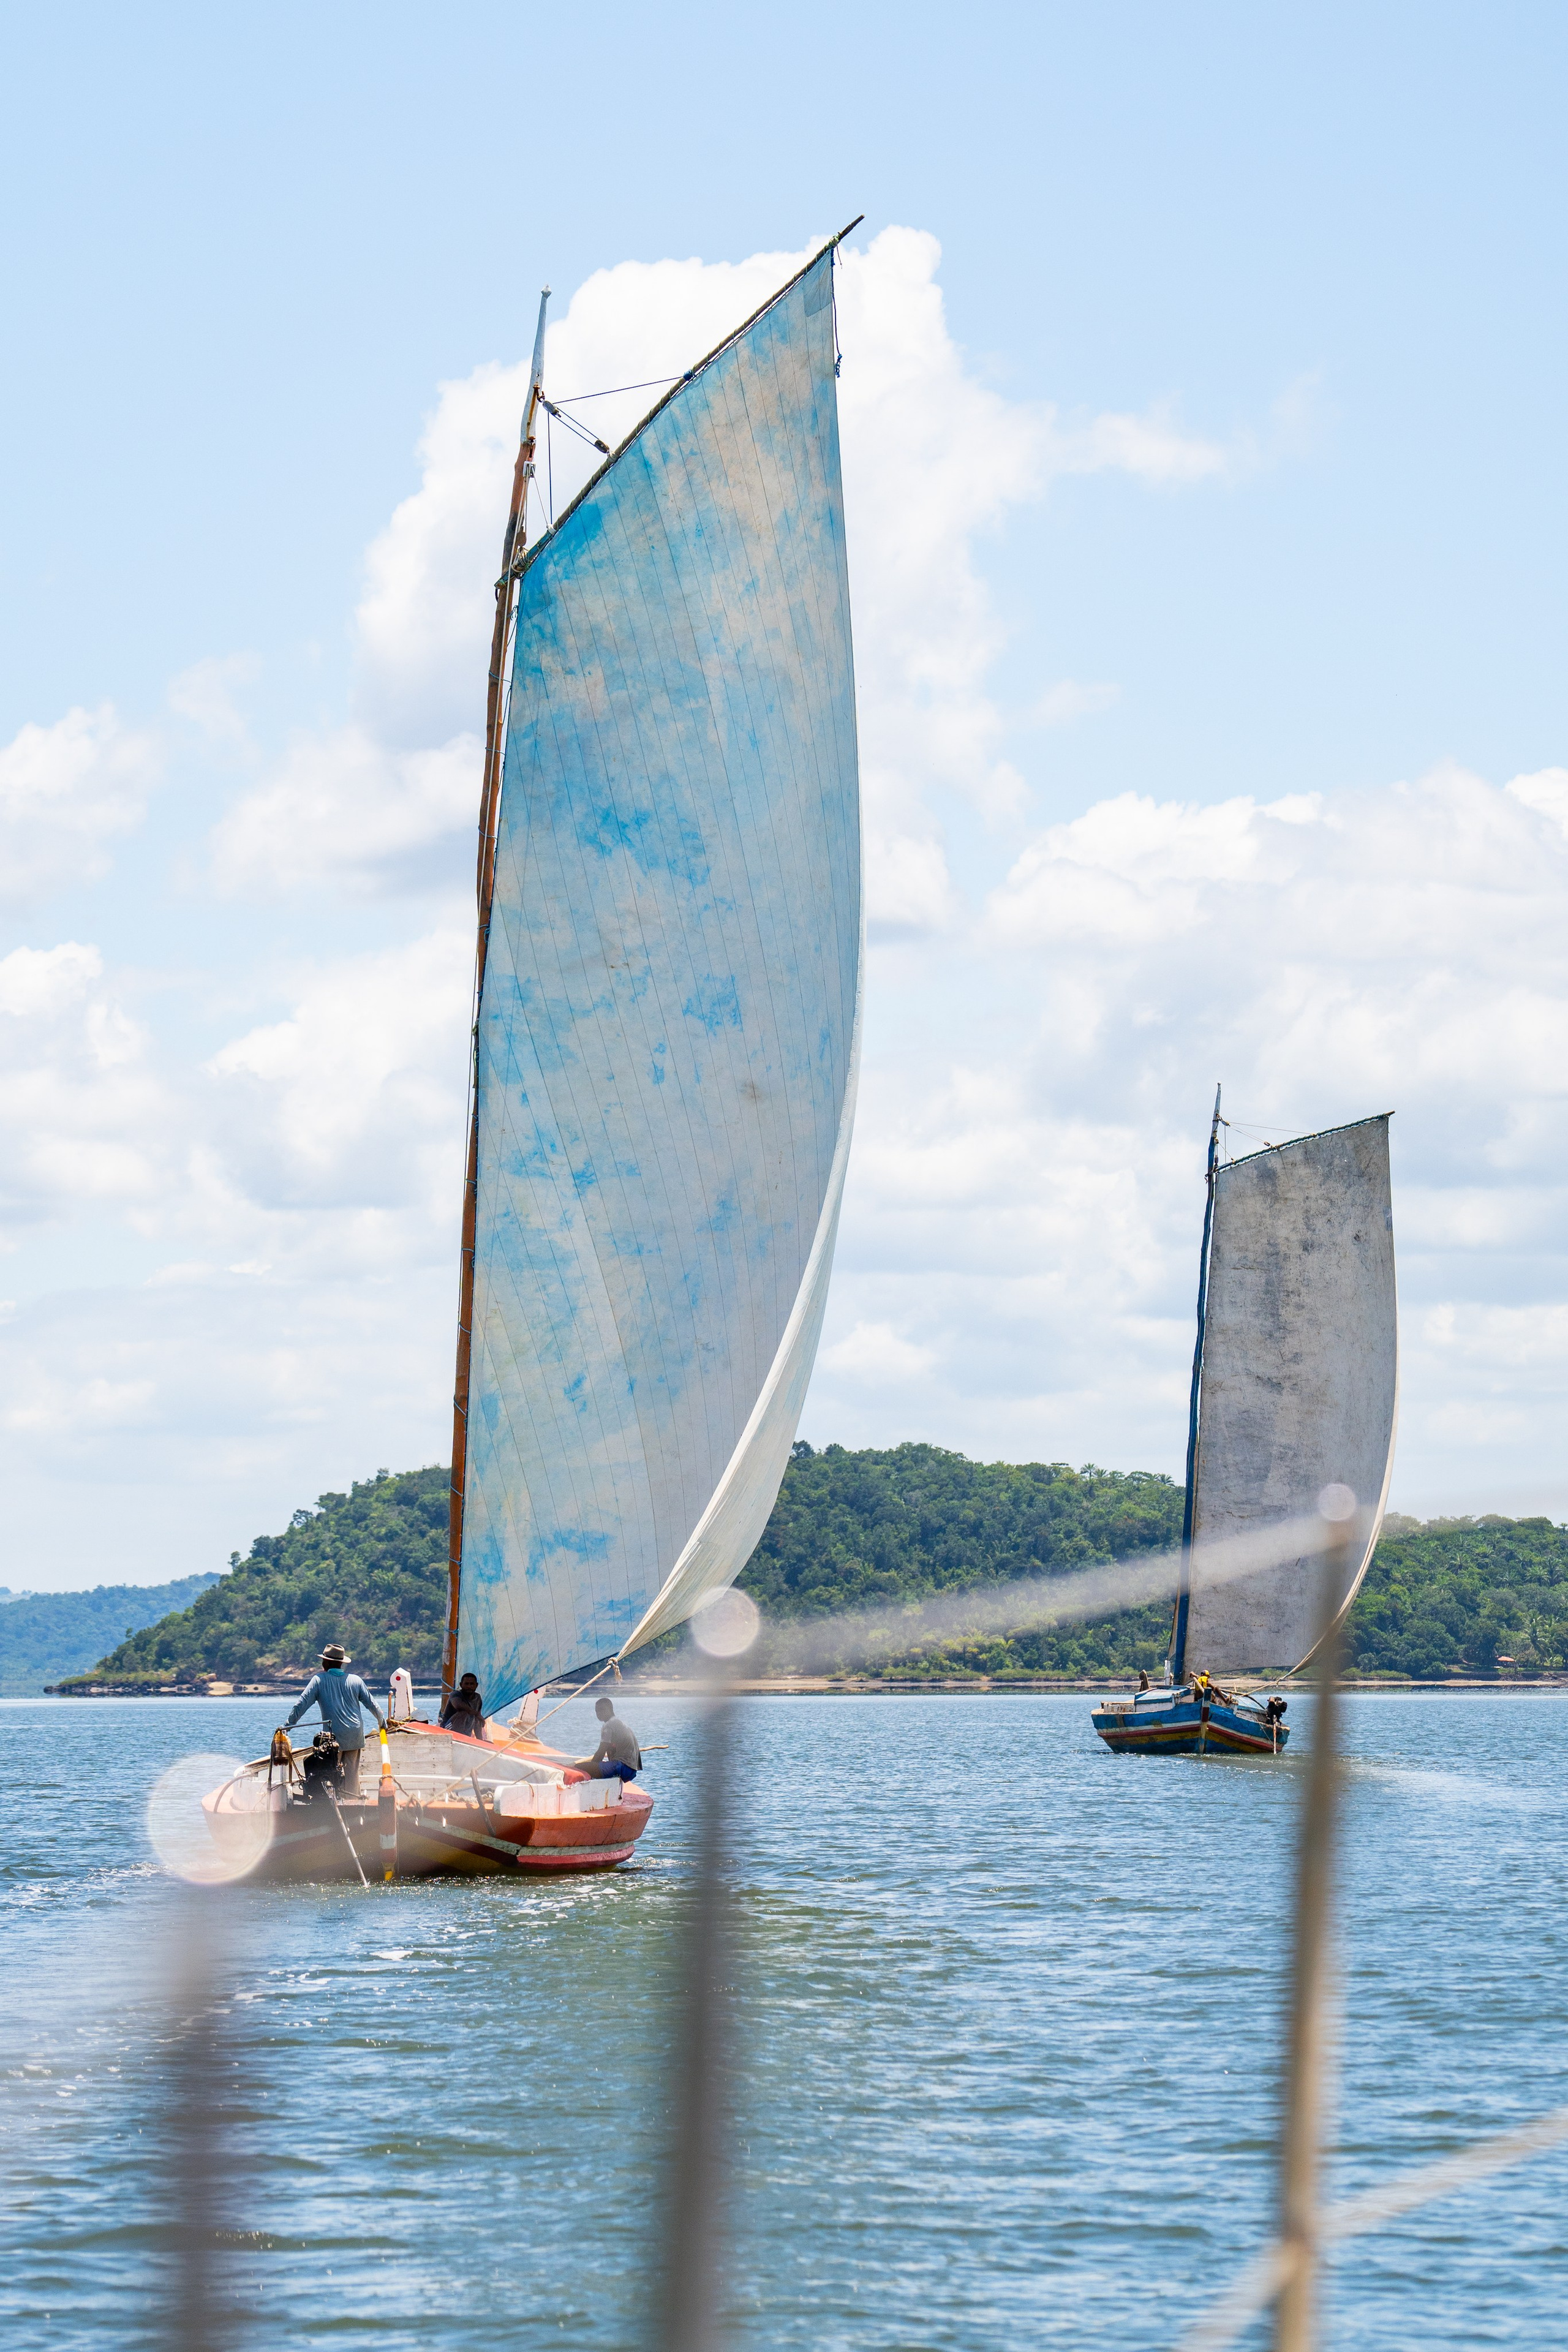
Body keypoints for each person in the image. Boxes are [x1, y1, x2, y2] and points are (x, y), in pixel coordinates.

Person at [285, 1644, 385, 1795]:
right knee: (352, 1774)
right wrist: (382, 1723)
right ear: (341, 1663)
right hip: (354, 1734)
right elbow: (373, 1705)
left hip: (333, 1737)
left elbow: (301, 1704)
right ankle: (353, 1803)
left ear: (326, 1663)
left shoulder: (319, 1680)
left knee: (330, 1771)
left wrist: (287, 1727)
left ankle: (332, 1802)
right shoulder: (355, 1680)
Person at [573, 1694, 641, 1782]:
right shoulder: (620, 1723)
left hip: (622, 1767)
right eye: (597, 1711)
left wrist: (590, 1767)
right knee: (594, 1766)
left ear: (610, 1709)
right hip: (632, 1770)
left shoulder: (608, 1726)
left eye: (602, 1710)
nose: (599, 1713)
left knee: (579, 1768)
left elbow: (601, 1753)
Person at [440, 1672, 485, 1738]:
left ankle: (464, 1738)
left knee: (477, 1719)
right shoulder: (456, 1694)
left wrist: (481, 1741)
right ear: (461, 1685)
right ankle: (459, 1738)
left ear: (477, 1685)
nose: (469, 1686)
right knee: (463, 1712)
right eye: (466, 1684)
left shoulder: (478, 1698)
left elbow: (477, 1723)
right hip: (447, 1731)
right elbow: (458, 1705)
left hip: (466, 1736)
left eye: (472, 1684)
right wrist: (476, 1714)